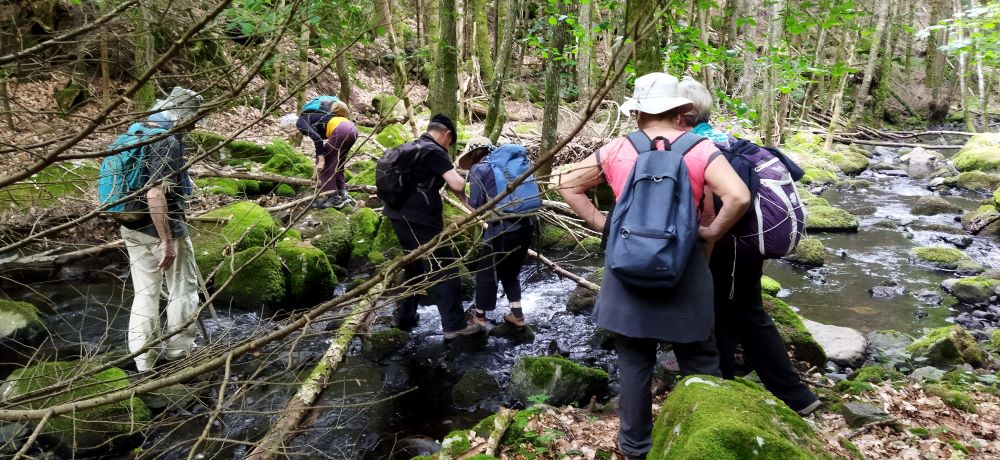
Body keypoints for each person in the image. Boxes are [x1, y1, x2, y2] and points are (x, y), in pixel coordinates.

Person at [557, 73, 750, 460]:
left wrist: (603, 223)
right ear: (680, 111)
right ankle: (704, 441)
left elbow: (563, 181)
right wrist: (709, 232)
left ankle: (635, 448)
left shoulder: (616, 150)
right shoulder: (699, 149)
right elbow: (739, 197)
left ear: (638, 113)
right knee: (699, 360)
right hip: (683, 269)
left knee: (633, 361)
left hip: (627, 269)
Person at [676, 76, 822, 416]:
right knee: (741, 310)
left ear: (683, 113)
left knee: (734, 313)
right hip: (745, 241)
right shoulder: (722, 140)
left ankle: (736, 393)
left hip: (732, 243)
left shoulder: (699, 150)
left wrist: (708, 236)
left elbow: (716, 202)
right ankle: (781, 393)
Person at [123, 87, 204, 372]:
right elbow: (156, 194)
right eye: (194, 119)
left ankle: (143, 360)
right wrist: (168, 241)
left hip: (130, 224)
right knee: (184, 288)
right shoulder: (168, 140)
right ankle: (179, 352)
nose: (194, 125)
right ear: (183, 115)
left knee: (145, 292)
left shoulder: (141, 129)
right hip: (162, 228)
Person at [383, 115, 484, 339]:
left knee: (414, 268)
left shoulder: (412, 147)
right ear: (447, 135)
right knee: (445, 269)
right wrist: (478, 175)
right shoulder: (435, 152)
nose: (449, 146)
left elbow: (455, 190)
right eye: (450, 142)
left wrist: (469, 206)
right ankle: (454, 325)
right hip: (420, 220)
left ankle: (404, 318)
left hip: (396, 215)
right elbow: (457, 183)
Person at [458, 137, 535, 328]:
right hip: (528, 224)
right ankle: (517, 315)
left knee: (486, 272)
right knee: (511, 271)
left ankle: (480, 316)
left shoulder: (479, 169)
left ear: (475, 154)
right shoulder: (512, 165)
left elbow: (477, 206)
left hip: (502, 229)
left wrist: (459, 195)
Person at [296, 97, 358, 209]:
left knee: (325, 165)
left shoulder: (300, 123)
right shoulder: (314, 118)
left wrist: (320, 158)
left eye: (285, 129)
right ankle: (343, 194)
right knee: (337, 164)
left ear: (289, 124)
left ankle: (334, 198)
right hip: (352, 128)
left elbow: (317, 138)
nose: (287, 132)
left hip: (341, 129)